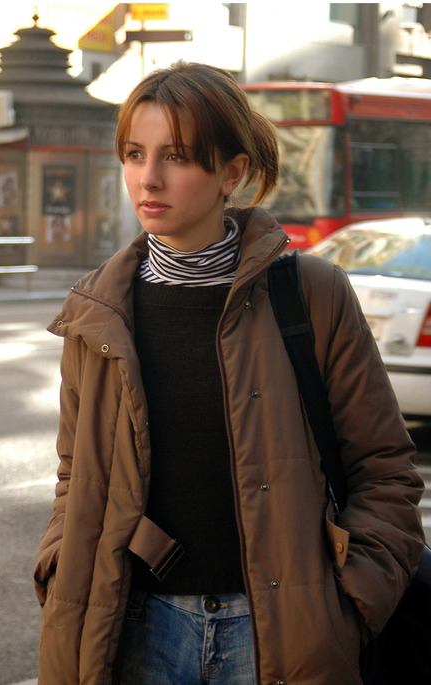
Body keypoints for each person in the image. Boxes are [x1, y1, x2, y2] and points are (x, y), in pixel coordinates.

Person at [34, 61, 426, 684]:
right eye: (135, 154)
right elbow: (75, 476)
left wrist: (351, 602)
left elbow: (384, 469)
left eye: (177, 157)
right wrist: (60, 569)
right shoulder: (98, 309)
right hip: (135, 628)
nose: (149, 177)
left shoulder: (311, 294)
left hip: (279, 631)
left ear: (232, 173)